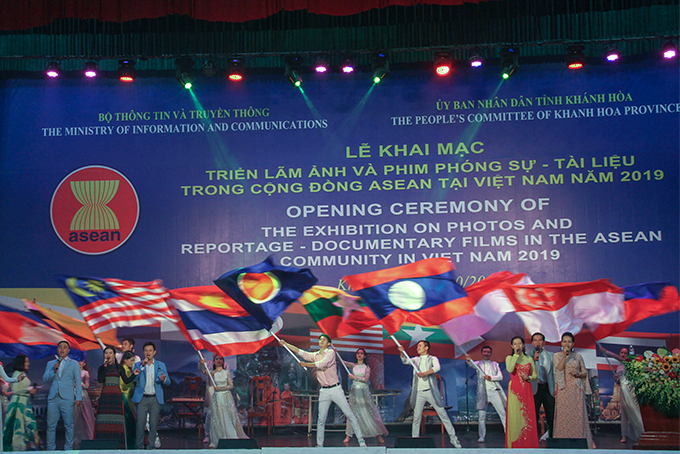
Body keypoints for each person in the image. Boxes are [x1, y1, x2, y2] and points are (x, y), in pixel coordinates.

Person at [279, 335, 367, 448]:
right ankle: (320, 444)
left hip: (335, 389)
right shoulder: (315, 355)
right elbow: (301, 352)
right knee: (321, 419)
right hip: (324, 390)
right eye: (320, 339)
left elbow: (323, 364)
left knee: (349, 414)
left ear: (329, 343)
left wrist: (307, 365)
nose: (321, 341)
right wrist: (286, 344)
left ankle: (361, 441)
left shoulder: (330, 353)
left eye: (324, 340)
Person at [397, 340, 462, 448]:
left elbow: (437, 368)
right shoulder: (416, 360)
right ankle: (415, 440)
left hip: (431, 392)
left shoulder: (433, 359)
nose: (418, 348)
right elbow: (405, 361)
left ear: (426, 348)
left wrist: (424, 374)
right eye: (417, 346)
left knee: (443, 414)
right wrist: (402, 352)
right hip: (419, 393)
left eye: (420, 346)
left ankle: (453, 438)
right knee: (416, 417)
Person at [553, 332, 594, 449]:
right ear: (561, 343)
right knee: (563, 417)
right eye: (565, 341)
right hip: (563, 389)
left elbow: (585, 372)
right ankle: (562, 443)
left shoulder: (578, 357)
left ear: (573, 344)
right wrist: (565, 357)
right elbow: (558, 369)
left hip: (576, 389)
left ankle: (579, 442)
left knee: (578, 416)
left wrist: (578, 374)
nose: (567, 344)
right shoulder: (557, 356)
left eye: (569, 342)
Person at [342, 348, 388, 444]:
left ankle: (378, 434)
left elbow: (366, 379)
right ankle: (348, 435)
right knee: (352, 412)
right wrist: (334, 352)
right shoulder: (353, 365)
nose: (359, 355)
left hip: (363, 391)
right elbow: (342, 361)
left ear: (364, 356)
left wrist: (354, 377)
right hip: (355, 391)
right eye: (358, 353)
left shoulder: (367, 367)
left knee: (369, 411)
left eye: (361, 353)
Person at [199, 355, 247, 447]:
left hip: (226, 397)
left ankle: (230, 438)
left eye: (220, 359)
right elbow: (203, 371)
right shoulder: (212, 373)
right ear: (213, 362)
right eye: (216, 359)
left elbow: (231, 386)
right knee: (218, 417)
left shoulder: (226, 373)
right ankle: (217, 439)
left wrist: (220, 388)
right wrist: (202, 364)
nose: (218, 361)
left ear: (223, 361)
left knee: (227, 416)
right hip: (217, 397)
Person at [43, 341, 82, 451]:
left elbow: (78, 382)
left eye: (65, 347)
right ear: (57, 349)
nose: (62, 349)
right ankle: (51, 449)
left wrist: (78, 397)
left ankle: (68, 449)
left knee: (69, 425)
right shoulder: (51, 364)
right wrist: (54, 370)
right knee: (51, 425)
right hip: (53, 398)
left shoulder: (74, 364)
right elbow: (45, 379)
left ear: (68, 350)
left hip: (67, 397)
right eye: (60, 347)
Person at [599, 346, 643, 443]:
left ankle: (640, 434)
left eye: (625, 353)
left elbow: (620, 359)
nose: (622, 355)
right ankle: (624, 435)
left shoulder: (629, 362)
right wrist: (617, 379)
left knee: (632, 409)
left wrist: (607, 352)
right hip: (622, 390)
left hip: (629, 389)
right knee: (624, 413)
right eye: (621, 352)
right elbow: (619, 381)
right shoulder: (619, 367)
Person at [132, 342, 170, 450]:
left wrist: (164, 379)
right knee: (140, 423)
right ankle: (139, 447)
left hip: (155, 398)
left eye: (150, 350)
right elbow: (133, 379)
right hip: (142, 397)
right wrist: (141, 367)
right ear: (143, 352)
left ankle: (150, 447)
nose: (148, 353)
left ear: (154, 352)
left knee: (153, 424)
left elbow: (168, 382)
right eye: (146, 350)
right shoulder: (138, 365)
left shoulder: (160, 365)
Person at [465, 346, 507, 443]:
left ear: (490, 353)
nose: (486, 353)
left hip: (494, 392)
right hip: (482, 393)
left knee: (503, 414)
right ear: (482, 353)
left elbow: (500, 377)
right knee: (481, 416)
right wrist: (468, 360)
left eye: (488, 352)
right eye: (484, 352)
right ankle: (481, 436)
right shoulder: (478, 364)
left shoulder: (495, 364)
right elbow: (471, 364)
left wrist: (490, 377)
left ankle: (507, 433)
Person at [505, 336, 539, 448]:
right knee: (515, 416)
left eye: (520, 343)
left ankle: (528, 444)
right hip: (515, 391)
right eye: (515, 344)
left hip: (526, 390)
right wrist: (515, 355)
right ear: (512, 346)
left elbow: (535, 375)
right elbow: (510, 369)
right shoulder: (509, 358)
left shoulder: (529, 359)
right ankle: (515, 444)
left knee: (527, 417)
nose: (518, 345)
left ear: (523, 345)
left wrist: (529, 377)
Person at [96, 346, 133, 448]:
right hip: (105, 397)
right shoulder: (102, 367)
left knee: (117, 421)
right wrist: (104, 367)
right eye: (106, 353)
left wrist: (134, 374)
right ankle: (103, 445)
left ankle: (118, 445)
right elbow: (100, 380)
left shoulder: (119, 367)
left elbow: (126, 380)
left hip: (116, 397)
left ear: (114, 355)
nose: (108, 355)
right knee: (103, 421)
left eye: (110, 353)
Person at [1, 356, 31, 451]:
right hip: (17, 402)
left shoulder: (19, 374)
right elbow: (16, 389)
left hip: (19, 402)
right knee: (16, 426)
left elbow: (12, 384)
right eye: (26, 361)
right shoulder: (17, 374)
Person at [530, 332, 555, 440]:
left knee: (551, 414)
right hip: (535, 388)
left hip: (547, 387)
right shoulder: (527, 355)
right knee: (533, 415)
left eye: (540, 340)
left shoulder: (551, 355)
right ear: (532, 343)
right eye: (535, 340)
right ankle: (534, 439)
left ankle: (552, 437)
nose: (537, 342)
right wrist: (533, 358)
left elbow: (554, 373)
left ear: (544, 342)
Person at [73, 361, 95, 447]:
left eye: (81, 361)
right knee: (75, 418)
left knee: (85, 416)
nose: (80, 363)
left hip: (82, 395)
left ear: (85, 363)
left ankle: (88, 436)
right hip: (74, 395)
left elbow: (87, 385)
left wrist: (79, 384)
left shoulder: (85, 373)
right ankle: (76, 439)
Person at [119, 351, 137, 450]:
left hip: (128, 397)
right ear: (125, 360)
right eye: (131, 360)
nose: (132, 363)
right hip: (125, 397)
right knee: (129, 423)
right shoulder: (124, 369)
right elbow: (124, 384)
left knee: (130, 422)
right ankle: (130, 446)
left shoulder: (127, 369)